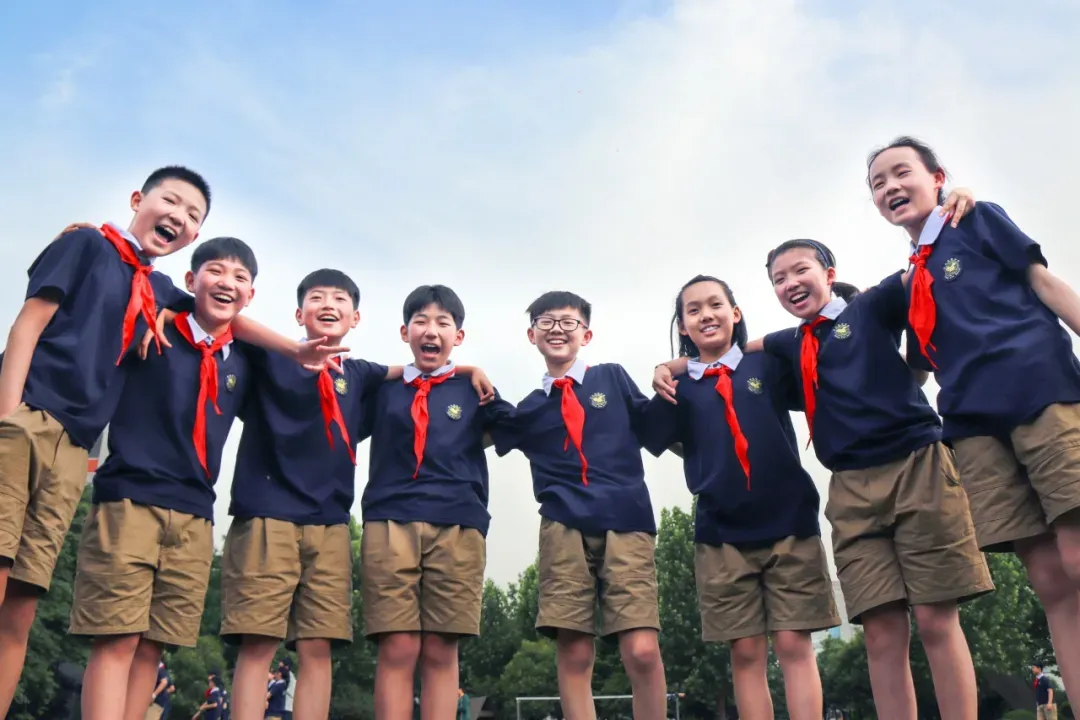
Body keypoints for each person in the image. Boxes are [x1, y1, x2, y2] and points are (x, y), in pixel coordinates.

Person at [221, 270, 494, 720]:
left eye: (340, 299)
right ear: (298, 313)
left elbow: (416, 373)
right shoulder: (269, 358)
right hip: (268, 512)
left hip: (330, 523)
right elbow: (226, 320)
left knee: (319, 647)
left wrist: (469, 369)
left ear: (356, 317)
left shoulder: (361, 374)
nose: (329, 305)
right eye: (317, 297)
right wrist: (292, 349)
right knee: (259, 643)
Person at [868, 136, 1080, 699]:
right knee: (1049, 580)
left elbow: (1043, 283)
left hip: (1041, 394)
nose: (890, 187)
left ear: (937, 177)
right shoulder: (913, 279)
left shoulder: (977, 217)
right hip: (974, 428)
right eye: (877, 183)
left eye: (901, 172)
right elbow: (914, 368)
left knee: (1077, 555)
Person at [0, 166, 211, 716]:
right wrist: (9, 417)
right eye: (171, 201)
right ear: (138, 199)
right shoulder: (87, 245)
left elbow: (219, 312)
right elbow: (28, 324)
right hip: (27, 421)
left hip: (74, 452)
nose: (179, 216)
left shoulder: (159, 289)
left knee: (20, 606)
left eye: (193, 215)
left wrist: (296, 349)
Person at [69, 237, 258, 720]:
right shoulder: (153, 322)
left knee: (152, 648)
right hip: (131, 500)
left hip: (194, 516)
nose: (227, 283)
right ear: (191, 280)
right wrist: (92, 233)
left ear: (251, 295)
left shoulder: (244, 361)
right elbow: (129, 270)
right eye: (216, 271)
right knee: (116, 638)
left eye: (240, 277)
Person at [642, 277, 839, 720]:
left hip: (790, 524)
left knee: (793, 642)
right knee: (746, 651)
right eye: (693, 310)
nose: (706, 315)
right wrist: (670, 369)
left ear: (735, 312)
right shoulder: (677, 388)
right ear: (682, 326)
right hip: (721, 535)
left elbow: (815, 345)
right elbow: (649, 435)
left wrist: (674, 362)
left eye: (716, 304)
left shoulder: (767, 364)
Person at [488, 290, 667, 719]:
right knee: (574, 651)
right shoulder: (529, 409)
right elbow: (477, 428)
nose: (557, 330)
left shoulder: (612, 378)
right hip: (563, 528)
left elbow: (657, 425)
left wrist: (672, 367)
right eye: (546, 322)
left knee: (641, 649)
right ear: (532, 334)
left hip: (626, 522)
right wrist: (473, 373)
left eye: (568, 322)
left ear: (586, 334)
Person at [358, 284, 515, 720]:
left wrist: (472, 373)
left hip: (458, 524)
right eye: (421, 321)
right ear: (404, 331)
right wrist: (465, 366)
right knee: (397, 644)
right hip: (390, 521)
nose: (431, 331)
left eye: (443, 323)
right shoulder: (384, 389)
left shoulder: (476, 390)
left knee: (442, 649)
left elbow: (516, 428)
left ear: (457, 336)